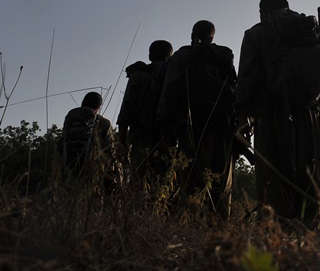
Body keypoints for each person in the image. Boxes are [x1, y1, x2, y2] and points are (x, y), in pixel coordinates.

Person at [236, 0, 320, 228]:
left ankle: (277, 238)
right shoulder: (310, 28)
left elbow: (246, 79)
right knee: (309, 175)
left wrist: (242, 116)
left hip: (271, 115)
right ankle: (309, 235)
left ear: (262, 12)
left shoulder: (256, 33)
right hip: (309, 114)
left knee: (273, 178)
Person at [158, 20, 236, 219]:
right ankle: (219, 228)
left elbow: (170, 91)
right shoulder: (225, 55)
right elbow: (234, 90)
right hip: (222, 127)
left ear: (192, 34)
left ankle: (191, 225)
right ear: (213, 37)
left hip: (191, 126)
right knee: (221, 181)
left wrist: (168, 128)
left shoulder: (182, 56)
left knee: (191, 178)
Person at [117, 40, 173, 189]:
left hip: (140, 136)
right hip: (166, 137)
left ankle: (138, 211)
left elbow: (126, 109)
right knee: (165, 184)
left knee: (138, 182)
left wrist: (121, 142)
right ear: (170, 57)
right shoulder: (173, 75)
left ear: (149, 56)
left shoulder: (138, 76)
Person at [59, 91, 120, 190]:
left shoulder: (70, 117)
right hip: (92, 169)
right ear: (99, 106)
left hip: (69, 167)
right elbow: (110, 150)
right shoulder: (104, 123)